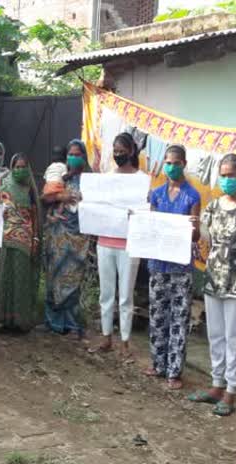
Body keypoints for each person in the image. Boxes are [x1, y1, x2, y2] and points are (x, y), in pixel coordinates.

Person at [189, 154, 236, 416]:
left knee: (234, 337)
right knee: (216, 335)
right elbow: (206, 238)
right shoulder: (213, 206)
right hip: (214, 279)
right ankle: (216, 384)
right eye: (223, 174)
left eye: (231, 174)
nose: (226, 179)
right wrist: (194, 226)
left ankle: (231, 390)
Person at [144, 145, 201, 390]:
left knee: (179, 319)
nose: (170, 166)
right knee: (157, 316)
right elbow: (151, 226)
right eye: (167, 162)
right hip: (158, 264)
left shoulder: (193, 196)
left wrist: (191, 226)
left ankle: (174, 371)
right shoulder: (156, 194)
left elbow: (196, 236)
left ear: (184, 164)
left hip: (181, 268)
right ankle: (158, 364)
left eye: (175, 162)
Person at [89, 133, 144, 359]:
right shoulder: (108, 177)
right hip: (105, 241)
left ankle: (125, 341)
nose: (118, 154)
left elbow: (144, 211)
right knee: (106, 293)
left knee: (125, 296)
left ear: (132, 151)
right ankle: (106, 337)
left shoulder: (141, 179)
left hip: (129, 245)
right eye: (116, 150)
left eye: (122, 150)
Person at [42, 139, 91, 342]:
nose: (73, 157)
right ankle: (53, 322)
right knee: (55, 276)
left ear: (84, 157)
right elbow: (45, 199)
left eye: (77, 154)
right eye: (70, 154)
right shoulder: (61, 177)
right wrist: (60, 198)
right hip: (58, 234)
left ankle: (71, 324)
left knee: (73, 280)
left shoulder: (91, 180)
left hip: (80, 235)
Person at [0, 153, 40, 333]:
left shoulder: (30, 188)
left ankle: (21, 322)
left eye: (23, 167)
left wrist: (36, 237)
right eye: (17, 167)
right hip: (6, 237)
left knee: (21, 279)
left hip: (25, 238)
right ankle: (6, 320)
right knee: (6, 277)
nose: (20, 170)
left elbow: (35, 214)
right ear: (12, 168)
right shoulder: (4, 184)